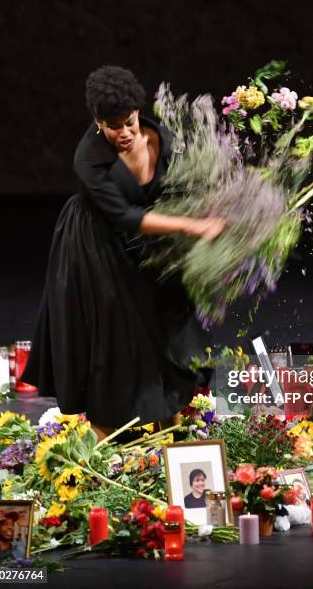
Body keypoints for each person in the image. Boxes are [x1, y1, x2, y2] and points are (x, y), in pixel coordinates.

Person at [22, 66, 225, 441]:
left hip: (151, 246)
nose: (126, 133)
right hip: (97, 248)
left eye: (130, 122)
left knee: (171, 335)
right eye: (114, 126)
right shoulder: (89, 159)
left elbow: (176, 188)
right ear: (98, 122)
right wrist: (191, 227)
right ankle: (109, 451)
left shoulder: (159, 135)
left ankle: (175, 444)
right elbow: (126, 216)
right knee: (117, 344)